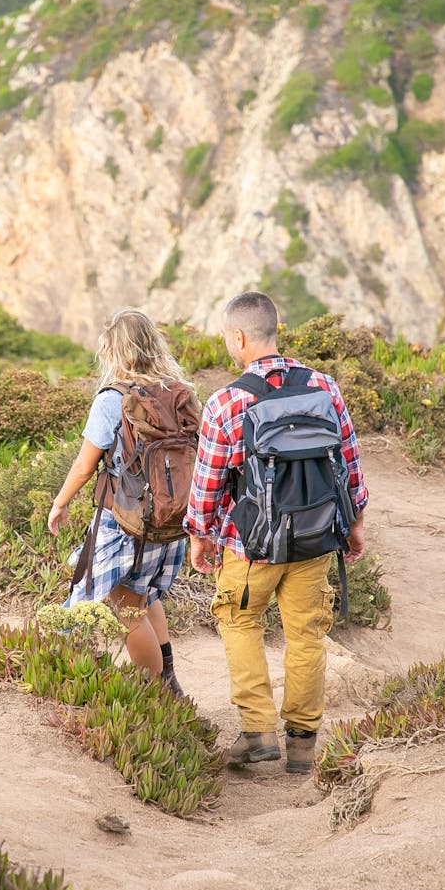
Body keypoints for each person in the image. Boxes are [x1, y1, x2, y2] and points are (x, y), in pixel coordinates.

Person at [184, 292, 368, 774]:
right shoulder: (324, 387)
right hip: (315, 537)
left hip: (252, 545)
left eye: (227, 337)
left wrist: (200, 536)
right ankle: (303, 746)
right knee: (306, 634)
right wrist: (353, 525)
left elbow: (207, 484)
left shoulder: (226, 402)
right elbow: (348, 464)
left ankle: (258, 731)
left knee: (240, 621)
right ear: (277, 328)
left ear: (239, 337)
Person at [48, 307, 198, 694]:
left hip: (128, 518)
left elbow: (85, 466)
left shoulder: (113, 399)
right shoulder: (178, 392)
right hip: (172, 515)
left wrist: (60, 502)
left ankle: (154, 698)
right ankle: (170, 682)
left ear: (113, 352)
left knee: (126, 604)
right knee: (144, 594)